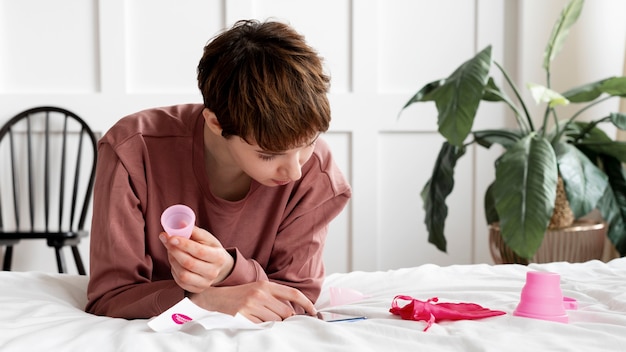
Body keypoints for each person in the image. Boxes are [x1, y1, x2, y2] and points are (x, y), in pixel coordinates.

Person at [85, 19, 351, 323]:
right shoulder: (132, 150)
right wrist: (201, 301)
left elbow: (295, 297)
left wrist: (227, 269)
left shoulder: (317, 170)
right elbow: (110, 298)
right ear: (216, 123)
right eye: (269, 154)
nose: (294, 171)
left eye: (308, 143)